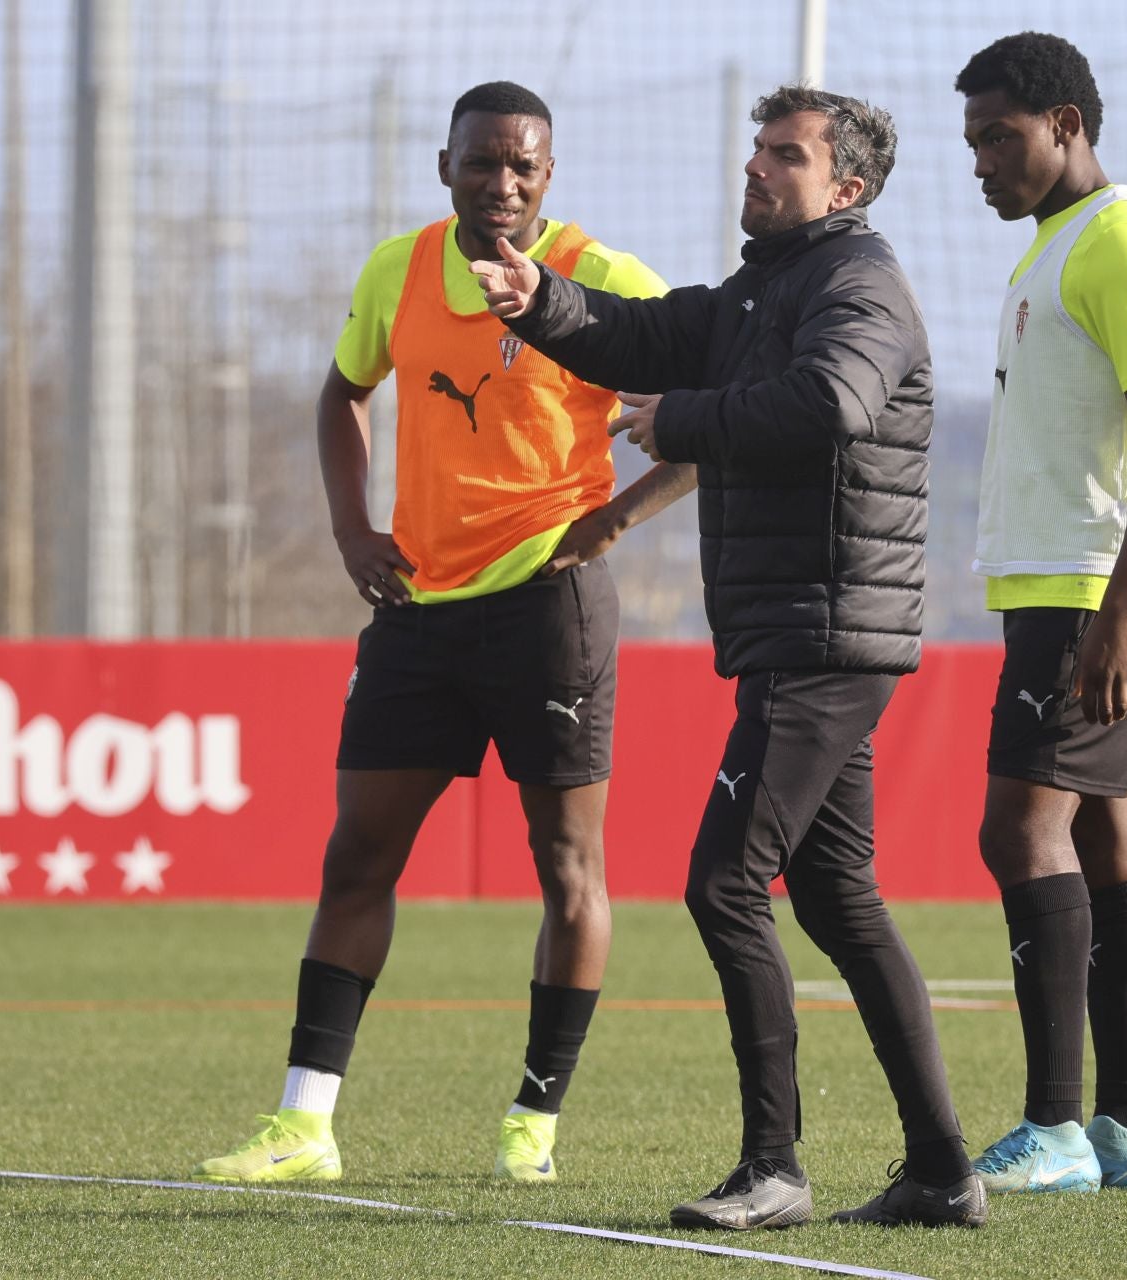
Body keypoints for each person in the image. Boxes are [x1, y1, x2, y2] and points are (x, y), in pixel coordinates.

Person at [475, 85, 984, 1231]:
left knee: (721, 882)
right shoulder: (768, 285)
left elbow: (829, 401)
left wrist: (683, 421)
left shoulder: (860, 285)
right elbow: (645, 332)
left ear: (843, 187)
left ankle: (774, 1166)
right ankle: (944, 1173)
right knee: (842, 902)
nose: (755, 168)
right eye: (758, 149)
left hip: (829, 633)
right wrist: (540, 298)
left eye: (785, 156)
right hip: (798, 631)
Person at [192, 80, 689, 1187]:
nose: (500, 184)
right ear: (445, 166)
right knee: (357, 855)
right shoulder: (399, 269)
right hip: (417, 611)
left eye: (523, 166)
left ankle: (535, 1114)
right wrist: (349, 529)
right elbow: (340, 393)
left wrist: (616, 516)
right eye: (481, 163)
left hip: (549, 609)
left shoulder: (602, 278)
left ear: (548, 175)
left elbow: (712, 402)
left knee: (567, 865)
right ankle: (304, 1123)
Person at [954, 32, 1127, 1195]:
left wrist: (1116, 615)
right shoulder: (1055, 246)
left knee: (1019, 831)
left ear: (1066, 122)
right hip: (1066, 585)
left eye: (1001, 136)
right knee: (1108, 833)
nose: (983, 162)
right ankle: (1126, 1135)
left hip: (1092, 590)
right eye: (973, 142)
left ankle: (1055, 1124)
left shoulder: (1121, 240)